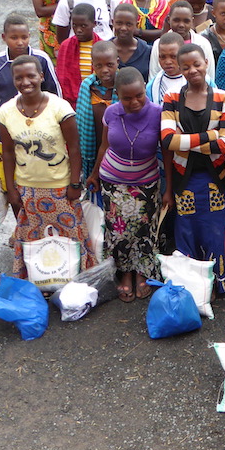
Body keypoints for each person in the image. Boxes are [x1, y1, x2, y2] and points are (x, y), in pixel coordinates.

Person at [0, 54, 94, 277]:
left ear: (41, 76)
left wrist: (75, 184)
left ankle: (73, 279)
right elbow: (8, 152)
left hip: (60, 186)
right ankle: (41, 279)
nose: (25, 82)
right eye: (19, 78)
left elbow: (74, 148)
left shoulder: (59, 108)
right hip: (27, 189)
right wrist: (11, 188)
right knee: (36, 241)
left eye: (31, 76)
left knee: (69, 237)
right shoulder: (6, 112)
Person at [161, 43, 225, 295]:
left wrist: (185, 139)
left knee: (215, 233)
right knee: (187, 231)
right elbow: (167, 141)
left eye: (196, 64)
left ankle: (217, 283)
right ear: (180, 69)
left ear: (206, 63)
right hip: (184, 180)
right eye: (186, 67)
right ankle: (192, 287)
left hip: (215, 179)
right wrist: (211, 135)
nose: (192, 70)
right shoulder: (172, 98)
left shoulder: (223, 97)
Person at [89, 66, 163, 301]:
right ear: (118, 96)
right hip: (113, 182)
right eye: (127, 98)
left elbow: (167, 153)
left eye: (139, 95)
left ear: (145, 89)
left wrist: (169, 187)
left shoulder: (159, 113)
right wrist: (94, 174)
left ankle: (142, 272)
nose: (134, 102)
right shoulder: (111, 113)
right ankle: (126, 273)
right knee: (119, 231)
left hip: (146, 182)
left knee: (144, 229)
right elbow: (104, 146)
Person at [0, 14, 59, 194]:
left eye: (24, 37)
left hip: (38, 131)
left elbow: (55, 95)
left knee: (36, 175)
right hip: (4, 133)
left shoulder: (41, 59)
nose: (20, 42)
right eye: (14, 38)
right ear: (4, 37)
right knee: (8, 181)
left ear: (29, 36)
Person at [77, 40, 118, 187]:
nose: (104, 70)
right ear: (93, 65)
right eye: (99, 66)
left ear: (117, 62)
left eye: (109, 65)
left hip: (117, 154)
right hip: (92, 150)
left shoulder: (125, 87)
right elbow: (80, 124)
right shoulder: (87, 87)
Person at [147, 0, 216, 83]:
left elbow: (209, 76)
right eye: (176, 20)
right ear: (169, 19)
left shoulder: (203, 44)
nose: (181, 25)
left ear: (192, 21)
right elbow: (153, 76)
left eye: (186, 21)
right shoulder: (158, 44)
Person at [55, 2, 99, 104]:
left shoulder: (102, 47)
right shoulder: (65, 46)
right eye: (74, 25)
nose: (78, 30)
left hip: (96, 100)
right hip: (70, 102)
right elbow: (62, 77)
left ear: (94, 23)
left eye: (83, 26)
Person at [109, 2, 153, 81]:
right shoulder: (105, 50)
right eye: (119, 23)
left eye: (128, 24)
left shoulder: (147, 51)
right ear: (113, 23)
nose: (123, 28)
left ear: (136, 25)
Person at [147, 31, 186, 103]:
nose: (168, 62)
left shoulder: (200, 80)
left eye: (173, 56)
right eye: (163, 57)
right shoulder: (152, 87)